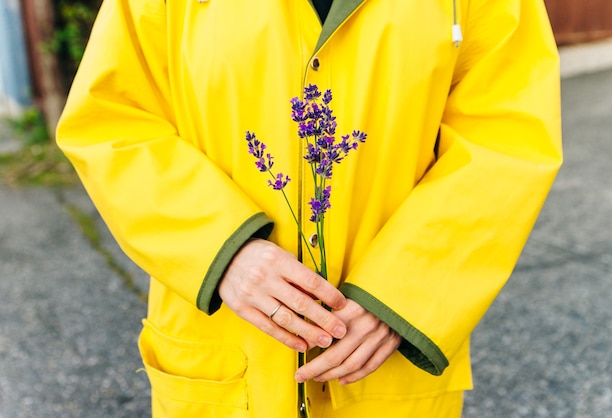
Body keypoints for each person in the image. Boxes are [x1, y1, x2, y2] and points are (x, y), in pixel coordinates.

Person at [56, 0, 562, 416]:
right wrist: (222, 251)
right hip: (225, 356)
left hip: (382, 361)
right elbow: (112, 121)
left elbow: (507, 140)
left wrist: (402, 295)